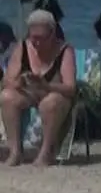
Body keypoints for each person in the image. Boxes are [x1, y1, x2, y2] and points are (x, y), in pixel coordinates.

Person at [1, 9, 76, 166]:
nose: (37, 43)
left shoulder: (64, 51)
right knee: (7, 96)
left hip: (54, 95)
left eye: (41, 39)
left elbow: (70, 88)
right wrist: (19, 82)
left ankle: (45, 153)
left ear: (52, 34)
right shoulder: (23, 47)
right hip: (29, 93)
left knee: (51, 102)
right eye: (33, 38)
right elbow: (7, 81)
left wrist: (47, 86)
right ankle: (15, 151)